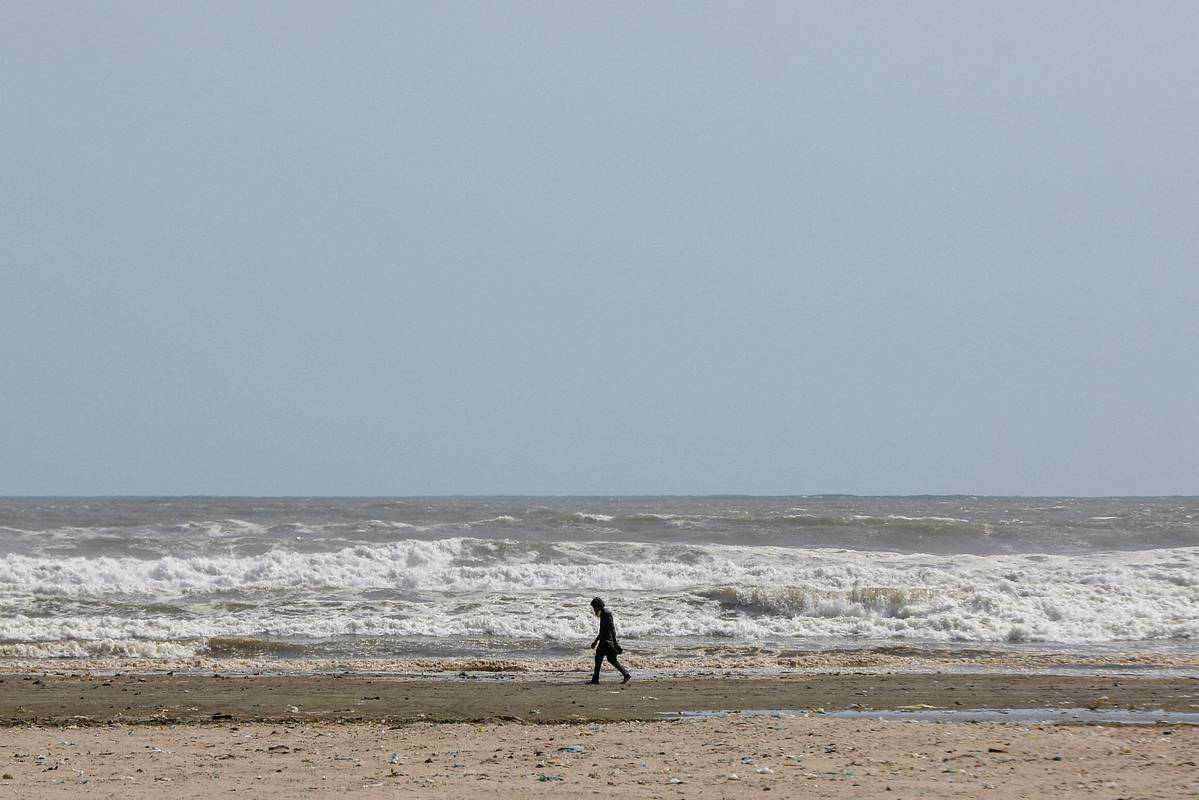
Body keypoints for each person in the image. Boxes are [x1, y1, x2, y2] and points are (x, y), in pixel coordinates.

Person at [588, 596, 631, 684]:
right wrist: (596, 641)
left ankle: (595, 679)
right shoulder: (603, 613)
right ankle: (626, 674)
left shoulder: (606, 613)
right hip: (605, 640)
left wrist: (614, 642)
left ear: (597, 606)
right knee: (611, 659)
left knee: (599, 658)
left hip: (607, 641)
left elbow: (612, 628)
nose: (594, 609)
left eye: (594, 607)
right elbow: (602, 630)